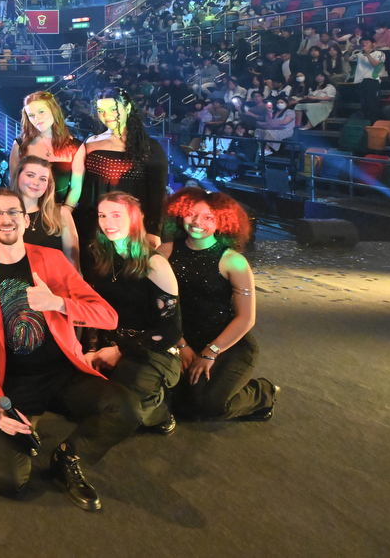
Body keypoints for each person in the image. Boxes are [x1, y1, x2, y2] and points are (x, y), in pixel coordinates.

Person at [0, 189, 137, 511]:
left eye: (13, 212)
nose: (6, 219)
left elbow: (108, 317)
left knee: (125, 409)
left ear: (26, 220)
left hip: (62, 374)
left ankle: (66, 457)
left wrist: (58, 303)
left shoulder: (51, 260)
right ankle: (22, 429)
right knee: (9, 483)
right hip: (13, 385)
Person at [160, 190, 278, 421]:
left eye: (208, 218)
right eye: (191, 214)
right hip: (181, 339)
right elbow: (160, 308)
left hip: (226, 343)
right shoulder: (165, 252)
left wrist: (210, 352)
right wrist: (181, 345)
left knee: (211, 406)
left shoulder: (233, 260)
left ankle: (262, 392)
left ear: (222, 221)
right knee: (182, 406)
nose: (196, 222)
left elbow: (246, 318)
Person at [82, 194, 182, 434]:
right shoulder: (99, 255)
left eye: (116, 215)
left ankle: (160, 411)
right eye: (103, 215)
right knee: (85, 400)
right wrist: (91, 350)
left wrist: (120, 351)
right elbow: (95, 311)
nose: (108, 222)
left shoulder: (154, 263)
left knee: (127, 410)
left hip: (151, 349)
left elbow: (170, 331)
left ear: (134, 220)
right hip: (110, 345)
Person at [79, 88, 168, 250]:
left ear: (127, 108)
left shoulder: (149, 147)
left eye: (113, 109)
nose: (107, 115)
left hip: (132, 228)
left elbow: (157, 192)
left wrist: (154, 230)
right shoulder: (91, 143)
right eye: (101, 111)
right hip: (93, 225)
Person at [0, 156, 81, 268]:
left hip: (53, 284)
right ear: (18, 176)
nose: (36, 182)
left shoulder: (61, 214)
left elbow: (72, 263)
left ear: (48, 185)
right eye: (30, 175)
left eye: (43, 179)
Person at [10, 91, 84, 212]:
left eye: (41, 112)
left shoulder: (75, 146)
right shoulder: (20, 145)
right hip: (28, 213)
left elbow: (76, 188)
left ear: (53, 110)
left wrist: (65, 213)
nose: (37, 118)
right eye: (31, 115)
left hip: (61, 213)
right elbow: (14, 185)